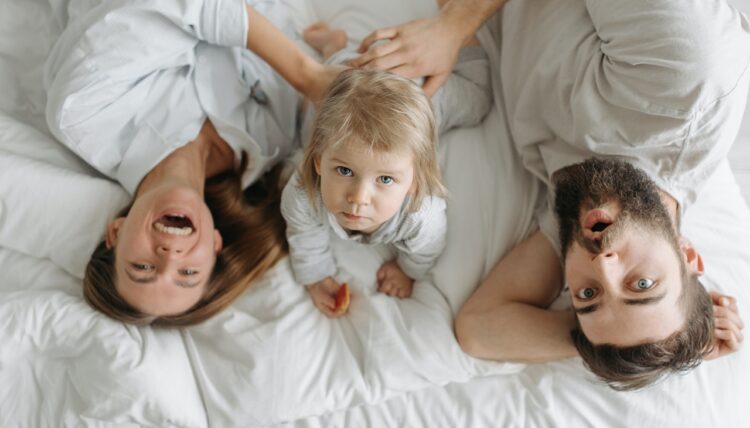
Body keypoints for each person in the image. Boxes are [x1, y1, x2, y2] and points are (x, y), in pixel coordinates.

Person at [353, 0, 750, 389]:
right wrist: (455, 24)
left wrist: (624, 348)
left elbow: (479, 329)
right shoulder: (686, 79)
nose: (603, 263)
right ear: (688, 254)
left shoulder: (583, 218)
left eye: (589, 295)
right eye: (642, 285)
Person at [44, 0, 342, 325]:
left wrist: (309, 76)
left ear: (115, 233)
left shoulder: (83, 114)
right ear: (214, 243)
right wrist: (330, 53)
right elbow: (331, 147)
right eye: (188, 273)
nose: (169, 257)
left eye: (141, 267)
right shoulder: (269, 149)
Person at [280, 23, 490, 316]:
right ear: (318, 161)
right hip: (345, 86)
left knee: (480, 97)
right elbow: (303, 234)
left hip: (421, 92)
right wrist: (315, 276)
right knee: (324, 91)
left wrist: (407, 270)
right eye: (344, 172)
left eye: (385, 179)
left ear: (414, 181)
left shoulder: (421, 215)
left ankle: (457, 33)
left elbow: (426, 249)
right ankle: (334, 46)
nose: (358, 197)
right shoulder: (304, 192)